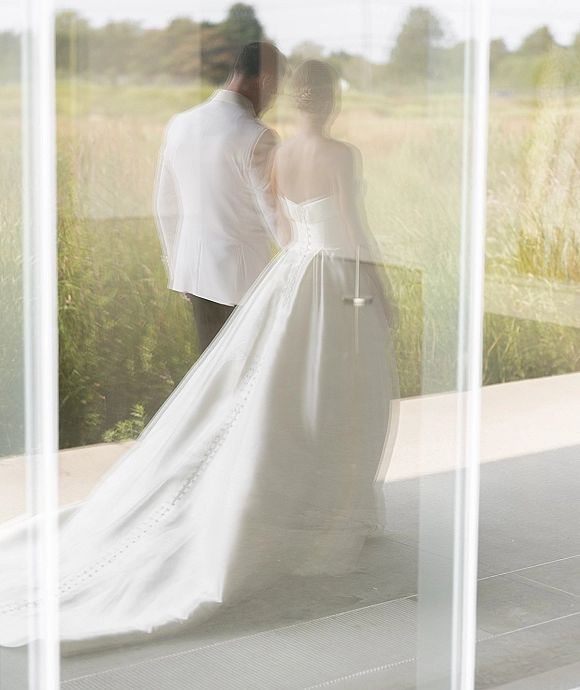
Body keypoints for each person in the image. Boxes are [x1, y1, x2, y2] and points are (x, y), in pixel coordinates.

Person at [0, 60, 399, 647]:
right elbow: (353, 227)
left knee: (271, 396)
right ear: (331, 100)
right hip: (335, 279)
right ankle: (325, 515)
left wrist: (288, 270)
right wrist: (377, 292)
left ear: (294, 98)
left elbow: (285, 229)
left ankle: (285, 504)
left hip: (292, 276)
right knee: (337, 393)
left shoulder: (279, 150)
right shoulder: (341, 155)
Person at [155, 41, 287, 353]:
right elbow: (274, 215)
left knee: (210, 377)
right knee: (243, 379)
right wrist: (298, 265)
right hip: (243, 285)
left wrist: (177, 266)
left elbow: (166, 205)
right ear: (265, 80)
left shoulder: (180, 124)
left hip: (194, 277)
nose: (273, 100)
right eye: (277, 91)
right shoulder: (258, 136)